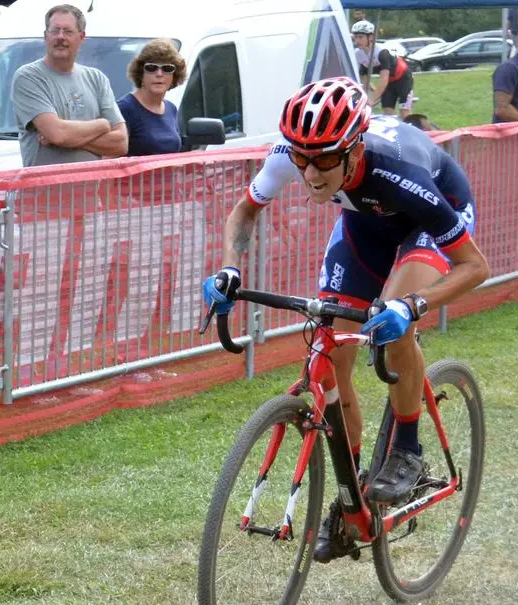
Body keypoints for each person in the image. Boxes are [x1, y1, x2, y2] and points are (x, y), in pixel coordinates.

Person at [202, 78, 490, 562]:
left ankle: (408, 449)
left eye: (326, 160)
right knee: (329, 348)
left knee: (388, 323)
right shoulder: (293, 155)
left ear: (354, 150)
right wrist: (230, 265)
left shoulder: (400, 174)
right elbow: (243, 213)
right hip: (365, 222)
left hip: (430, 217)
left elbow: (476, 267)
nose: (312, 174)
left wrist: (411, 307)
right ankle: (351, 497)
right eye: (302, 159)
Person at [11, 4, 127, 167]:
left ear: (82, 37)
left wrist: (67, 138)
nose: (60, 37)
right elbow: (58, 134)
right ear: (45, 36)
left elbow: (121, 143)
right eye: (55, 30)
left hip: (92, 192)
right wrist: (102, 125)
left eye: (68, 31)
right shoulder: (29, 77)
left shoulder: (97, 78)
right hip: (46, 192)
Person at [117, 39, 185, 156]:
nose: (159, 74)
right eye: (151, 68)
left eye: (167, 68)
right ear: (140, 73)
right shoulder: (125, 108)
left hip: (167, 175)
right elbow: (109, 160)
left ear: (174, 76)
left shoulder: (171, 108)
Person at [350, 20, 415, 120]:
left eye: (361, 37)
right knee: (388, 114)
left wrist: (372, 99)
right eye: (355, 37)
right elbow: (364, 78)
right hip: (389, 82)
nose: (357, 41)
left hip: (403, 79)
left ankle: (414, 132)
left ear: (370, 37)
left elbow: (383, 80)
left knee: (404, 112)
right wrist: (369, 95)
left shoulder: (381, 52)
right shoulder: (358, 54)